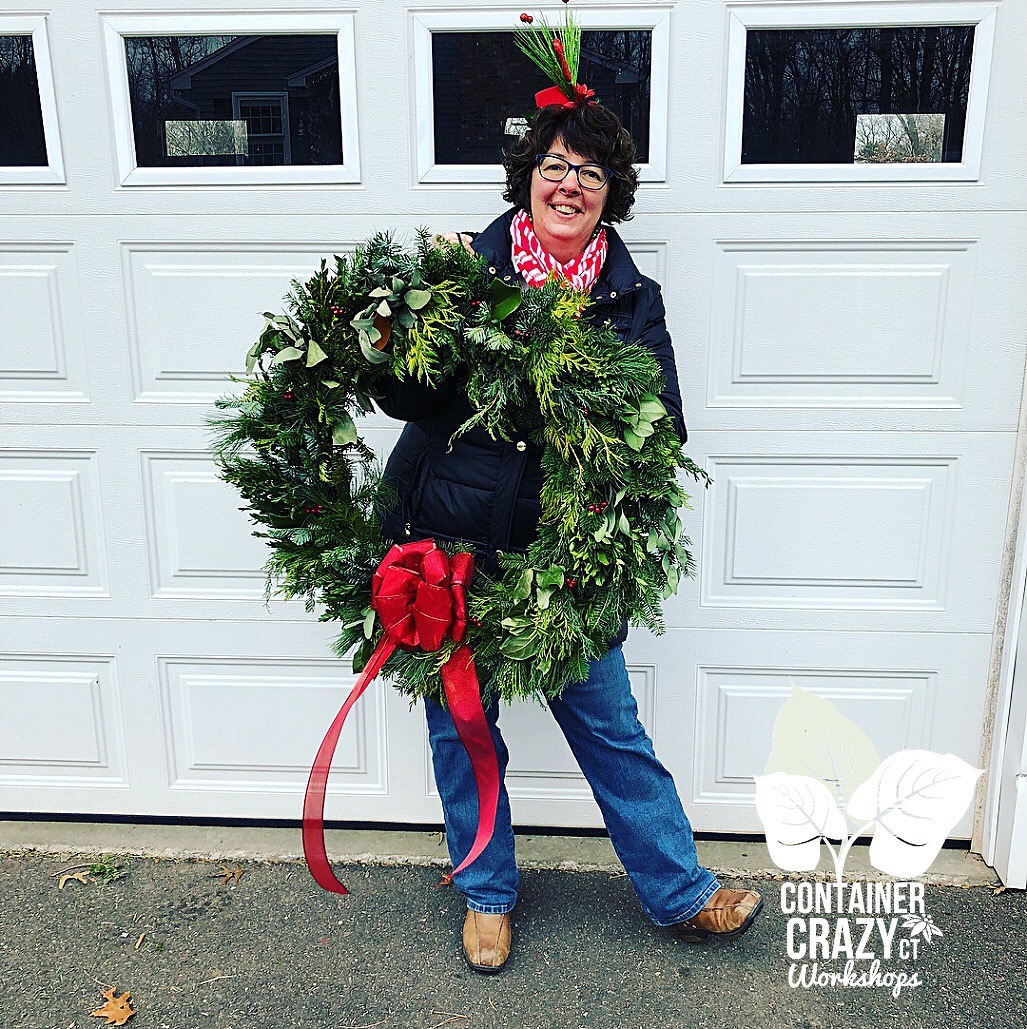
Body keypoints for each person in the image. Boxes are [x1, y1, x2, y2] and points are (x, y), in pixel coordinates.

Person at [371, 96, 762, 974]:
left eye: (590, 172)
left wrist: (579, 397)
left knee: (611, 728)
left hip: (568, 559)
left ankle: (680, 890)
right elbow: (407, 397)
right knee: (462, 733)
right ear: (527, 180)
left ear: (609, 191)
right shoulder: (461, 273)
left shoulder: (629, 299)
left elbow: (661, 430)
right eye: (554, 167)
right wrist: (403, 335)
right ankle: (486, 896)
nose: (570, 185)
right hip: (450, 547)